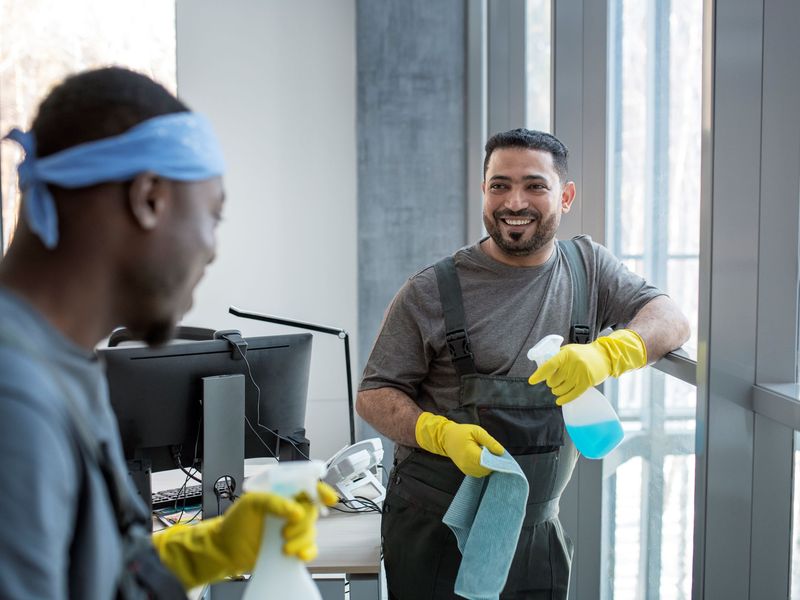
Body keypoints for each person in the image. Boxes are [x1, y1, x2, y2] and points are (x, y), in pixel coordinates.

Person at [0, 67, 336, 599]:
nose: (211, 248)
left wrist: (213, 547)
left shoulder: (63, 365)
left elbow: (89, 571)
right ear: (149, 198)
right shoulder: (14, 398)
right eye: (213, 215)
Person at [357, 128, 690, 599]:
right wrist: (439, 433)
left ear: (566, 195)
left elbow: (672, 319)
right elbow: (373, 395)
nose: (515, 202)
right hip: (435, 528)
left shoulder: (588, 268)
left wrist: (609, 354)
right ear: (484, 192)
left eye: (535, 185)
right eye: (500, 185)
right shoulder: (432, 289)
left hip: (536, 532)